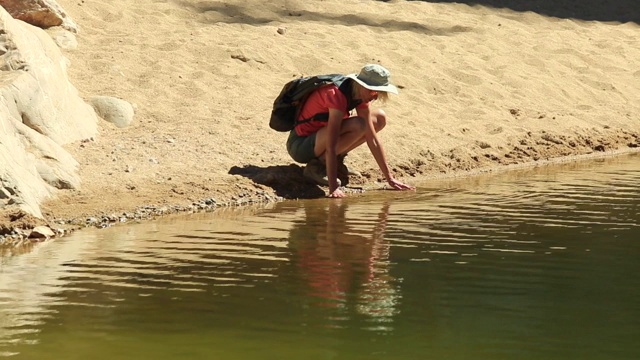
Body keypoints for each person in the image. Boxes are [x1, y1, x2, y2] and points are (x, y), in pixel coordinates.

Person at [286, 64, 415, 198]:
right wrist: (333, 188)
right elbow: (331, 144)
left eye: (379, 92)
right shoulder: (335, 94)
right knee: (359, 124)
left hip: (319, 141)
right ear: (361, 85)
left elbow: (373, 139)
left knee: (379, 118)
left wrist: (390, 178)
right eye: (373, 91)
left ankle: (333, 162)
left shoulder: (358, 94)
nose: (376, 97)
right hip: (300, 145)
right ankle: (317, 167)